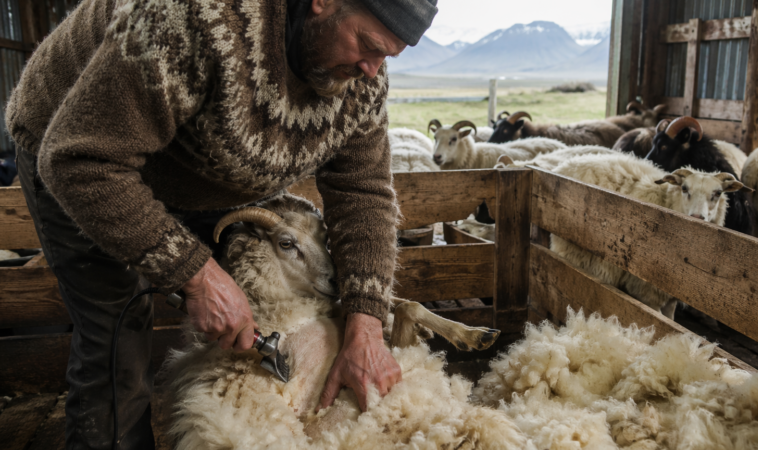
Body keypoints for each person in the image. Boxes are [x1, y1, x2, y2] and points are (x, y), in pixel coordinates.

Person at [4, 0, 437, 447]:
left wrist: (366, 326)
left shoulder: (361, 80)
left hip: (206, 164)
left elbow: (362, 193)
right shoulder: (194, 18)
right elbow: (80, 160)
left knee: (249, 315)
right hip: (84, 155)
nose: (372, 70)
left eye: (387, 55)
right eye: (366, 45)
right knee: (119, 338)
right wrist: (196, 275)